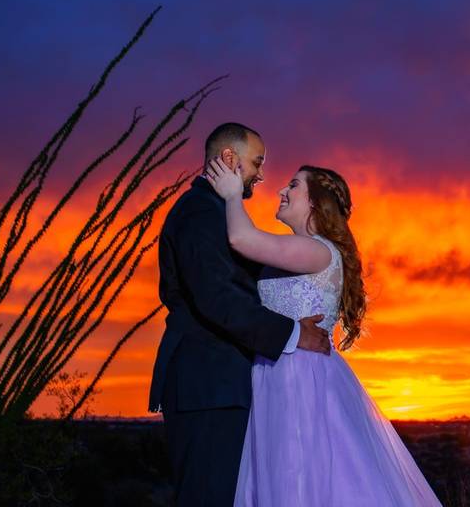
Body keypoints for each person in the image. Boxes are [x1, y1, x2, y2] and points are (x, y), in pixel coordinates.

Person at [204, 157, 443, 506]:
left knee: (300, 477)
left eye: (294, 185)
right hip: (277, 373)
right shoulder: (292, 252)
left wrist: (230, 195)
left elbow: (241, 238)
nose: (282, 191)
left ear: (315, 202)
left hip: (299, 380)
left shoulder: (317, 250)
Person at [148, 123, 331, 507]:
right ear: (229, 159)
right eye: (257, 162)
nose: (262, 175)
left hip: (221, 382)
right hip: (208, 383)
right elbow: (217, 298)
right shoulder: (200, 213)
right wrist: (292, 335)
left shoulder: (217, 212)